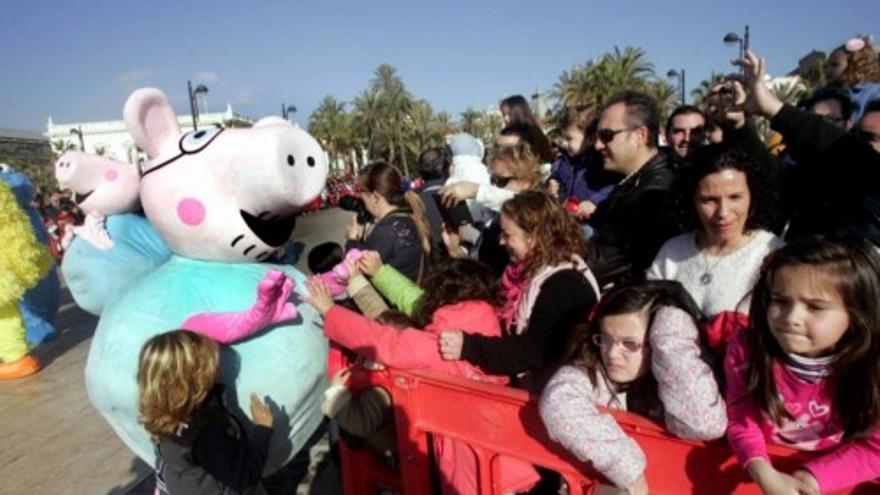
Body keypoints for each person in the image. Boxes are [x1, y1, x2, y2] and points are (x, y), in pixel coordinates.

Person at [303, 258, 540, 495]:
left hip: (472, 469)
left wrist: (330, 311)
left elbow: (383, 340)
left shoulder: (440, 344)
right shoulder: (493, 332)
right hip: (510, 455)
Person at [725, 237, 880, 494]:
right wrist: (760, 469)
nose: (792, 318)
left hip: (838, 475)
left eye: (815, 307)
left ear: (855, 315)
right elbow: (742, 417)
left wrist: (815, 479)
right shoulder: (747, 352)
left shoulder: (872, 368)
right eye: (781, 301)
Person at [540, 281, 727, 495]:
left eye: (629, 344)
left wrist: (672, 328)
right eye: (605, 339)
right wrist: (627, 467)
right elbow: (558, 403)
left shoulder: (681, 370)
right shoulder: (592, 373)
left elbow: (704, 423)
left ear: (657, 341)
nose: (611, 354)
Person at [439, 191, 600, 389]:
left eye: (507, 234)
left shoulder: (567, 284)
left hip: (548, 395)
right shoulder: (523, 272)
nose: (501, 241)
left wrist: (468, 346)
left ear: (534, 237)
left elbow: (533, 351)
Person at [734, 49, 880, 247]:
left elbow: (857, 157)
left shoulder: (865, 183)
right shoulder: (809, 182)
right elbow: (766, 169)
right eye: (813, 120)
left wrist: (772, 107)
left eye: (829, 122)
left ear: (846, 123)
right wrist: (738, 126)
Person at [647, 143, 783, 317]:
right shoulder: (672, 252)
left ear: (753, 196)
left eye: (735, 197)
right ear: (691, 200)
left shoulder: (773, 255)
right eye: (709, 200)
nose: (723, 213)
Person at [138, 330, 274, 495]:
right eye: (211, 363)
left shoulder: (161, 413)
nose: (218, 367)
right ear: (195, 377)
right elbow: (244, 476)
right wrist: (263, 428)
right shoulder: (206, 431)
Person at [586, 91, 680, 289]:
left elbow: (603, 261)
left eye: (607, 136)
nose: (597, 145)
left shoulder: (655, 195)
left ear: (640, 135)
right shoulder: (633, 182)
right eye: (597, 136)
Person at [442, 142, 543, 277]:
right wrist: (456, 250)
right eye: (493, 181)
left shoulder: (537, 214)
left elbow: (516, 201)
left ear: (526, 181)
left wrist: (475, 190)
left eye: (501, 181)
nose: (495, 188)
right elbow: (485, 272)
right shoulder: (496, 220)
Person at [346, 162, 432, 282]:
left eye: (360, 191)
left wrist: (352, 239)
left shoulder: (385, 230)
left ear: (375, 197)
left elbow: (355, 273)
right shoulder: (411, 217)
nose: (359, 197)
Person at [548, 105, 618, 223]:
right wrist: (552, 182)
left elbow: (613, 186)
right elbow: (557, 175)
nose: (564, 143)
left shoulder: (601, 161)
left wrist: (594, 201)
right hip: (567, 216)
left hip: (589, 221)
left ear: (590, 139)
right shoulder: (565, 159)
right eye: (563, 138)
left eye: (569, 139)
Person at [825, 36, 880, 122]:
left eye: (834, 65)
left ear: (855, 66)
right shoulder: (824, 92)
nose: (828, 70)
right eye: (826, 66)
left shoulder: (873, 93)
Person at [499, 94, 556, 164]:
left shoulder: (532, 131)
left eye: (509, 114)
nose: (505, 118)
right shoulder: (505, 132)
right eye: (503, 114)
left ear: (518, 112)